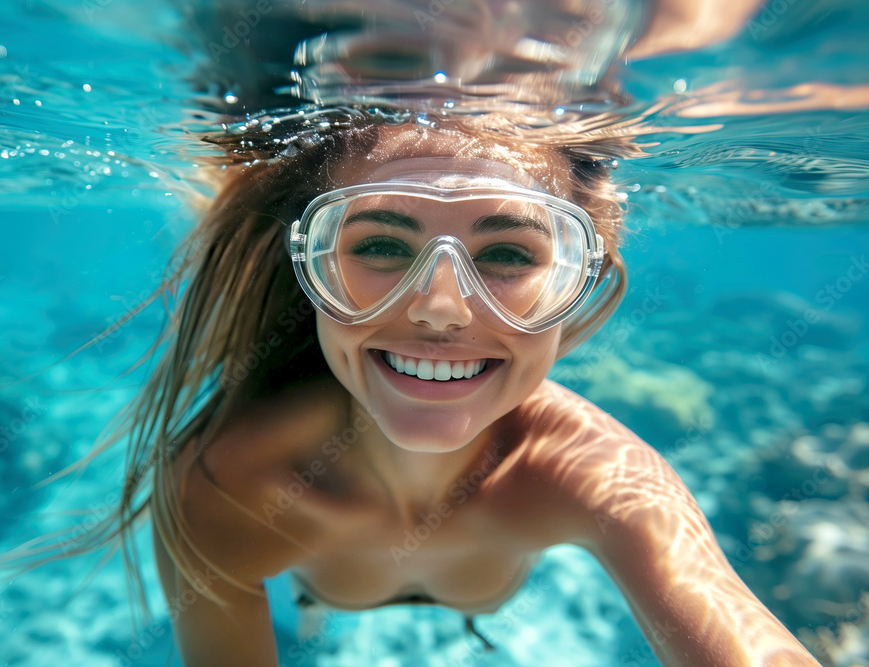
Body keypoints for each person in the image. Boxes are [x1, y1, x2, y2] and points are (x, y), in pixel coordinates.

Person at [123, 111, 821, 666]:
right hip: (326, 589)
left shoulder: (603, 480)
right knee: (312, 609)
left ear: (578, 280)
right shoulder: (228, 485)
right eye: (381, 245)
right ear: (316, 266)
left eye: (508, 254)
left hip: (469, 604)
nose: (441, 308)